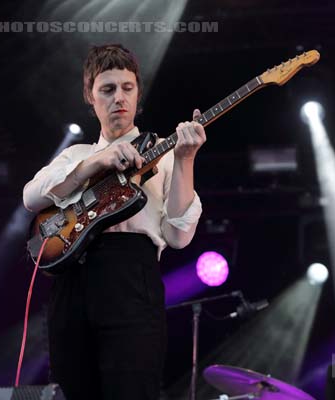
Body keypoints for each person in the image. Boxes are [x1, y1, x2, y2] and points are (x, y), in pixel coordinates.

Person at [23, 44, 206, 400]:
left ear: (138, 94)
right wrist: (95, 163)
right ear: (90, 97)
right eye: (107, 89)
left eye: (127, 88)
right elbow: (31, 197)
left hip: (131, 280)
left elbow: (179, 236)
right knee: (70, 389)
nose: (118, 98)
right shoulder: (75, 155)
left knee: (132, 388)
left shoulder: (165, 155)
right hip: (72, 281)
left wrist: (186, 160)